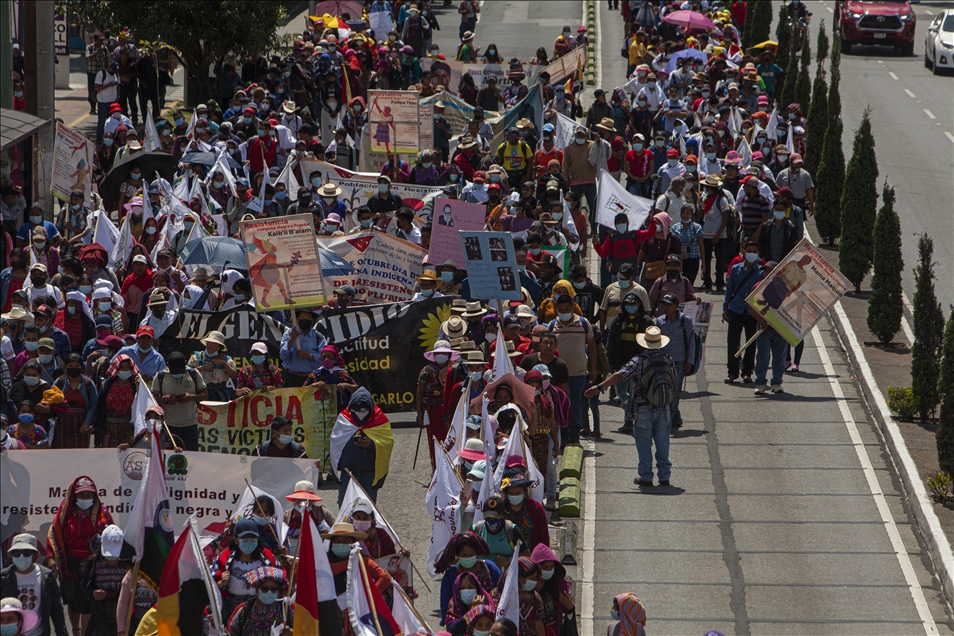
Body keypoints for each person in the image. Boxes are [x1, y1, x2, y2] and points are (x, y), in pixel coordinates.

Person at [585, 326, 678, 487]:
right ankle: (664, 476)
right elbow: (673, 381)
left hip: (643, 408)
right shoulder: (667, 359)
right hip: (664, 408)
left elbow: (619, 374)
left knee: (644, 443)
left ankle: (646, 476)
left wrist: (599, 387)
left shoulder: (639, 361)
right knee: (663, 443)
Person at [45, 476, 114, 636]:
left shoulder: (102, 514)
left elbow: (111, 535)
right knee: (73, 600)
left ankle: (84, 634)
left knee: (89, 601)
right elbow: (54, 534)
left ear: (94, 496)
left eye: (88, 495)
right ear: (74, 496)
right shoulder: (65, 513)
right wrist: (50, 557)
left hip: (93, 563)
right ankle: (75, 630)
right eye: (81, 495)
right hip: (70, 565)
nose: (85, 499)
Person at [212, 519, 285, 626]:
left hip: (261, 610)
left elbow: (282, 580)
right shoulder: (225, 558)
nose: (249, 541)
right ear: (236, 539)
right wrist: (220, 584)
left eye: (253, 538)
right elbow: (209, 586)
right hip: (232, 612)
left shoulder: (267, 557)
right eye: (245, 538)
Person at [330, 388, 393, 504]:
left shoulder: (379, 419)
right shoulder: (344, 418)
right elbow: (335, 441)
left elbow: (387, 443)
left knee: (368, 509)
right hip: (348, 473)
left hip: (368, 475)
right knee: (344, 508)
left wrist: (371, 444)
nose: (360, 411)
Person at [606, 292, 655, 435]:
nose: (630, 307)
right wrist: (611, 361)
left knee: (635, 394)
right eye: (628, 304)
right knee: (622, 393)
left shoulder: (647, 322)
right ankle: (631, 411)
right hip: (621, 364)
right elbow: (611, 341)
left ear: (639, 304)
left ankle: (629, 421)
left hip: (640, 365)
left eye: (633, 304)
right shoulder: (619, 320)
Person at [0, 533, 67, 636]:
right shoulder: (3, 577)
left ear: (35, 555)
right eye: (16, 553)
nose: (21, 557)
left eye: (26, 553)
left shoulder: (46, 576)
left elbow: (56, 609)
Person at [723, 241, 765, 384]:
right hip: (736, 309)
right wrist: (725, 308)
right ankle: (732, 372)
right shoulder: (735, 269)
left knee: (751, 342)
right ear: (744, 252)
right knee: (733, 342)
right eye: (749, 251)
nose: (751, 253)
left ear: (758, 253)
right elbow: (729, 290)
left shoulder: (761, 272)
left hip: (752, 312)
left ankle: (747, 372)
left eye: (754, 251)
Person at [655, 294, 696, 432]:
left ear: (676, 306)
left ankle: (669, 420)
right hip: (663, 361)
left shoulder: (686, 321)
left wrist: (690, 361)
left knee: (675, 391)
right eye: (664, 304)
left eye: (668, 304)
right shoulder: (659, 321)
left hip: (679, 361)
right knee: (664, 390)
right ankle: (676, 417)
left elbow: (691, 342)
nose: (665, 307)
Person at [152, 351, 207, 451]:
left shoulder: (193, 373)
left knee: (191, 456)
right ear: (168, 365)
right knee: (170, 456)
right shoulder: (160, 376)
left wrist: (190, 397)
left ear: (185, 363)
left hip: (190, 424)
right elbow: (152, 399)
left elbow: (205, 395)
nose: (177, 373)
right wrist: (166, 399)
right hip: (168, 425)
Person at [89, 354, 140, 448]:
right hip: (109, 427)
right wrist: (94, 424)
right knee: (107, 456)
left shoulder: (135, 385)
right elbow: (99, 406)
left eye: (127, 368)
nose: (125, 370)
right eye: (122, 368)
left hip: (128, 427)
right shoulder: (107, 385)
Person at [225, 566, 292, 636]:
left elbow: (302, 630)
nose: (269, 592)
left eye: (274, 589)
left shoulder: (286, 610)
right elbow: (231, 633)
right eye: (264, 588)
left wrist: (290, 632)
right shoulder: (244, 610)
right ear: (257, 589)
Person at [50, 353, 98, 449]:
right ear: (66, 367)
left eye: (76, 366)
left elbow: (94, 405)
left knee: (80, 456)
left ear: (81, 367)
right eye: (70, 366)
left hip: (81, 426)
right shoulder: (59, 382)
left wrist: (87, 423)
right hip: (62, 425)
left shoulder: (88, 384)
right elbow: (51, 400)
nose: (73, 368)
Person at [279, 308, 325, 388]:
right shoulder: (288, 334)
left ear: (312, 320)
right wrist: (291, 339)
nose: (305, 320)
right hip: (291, 378)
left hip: (312, 379)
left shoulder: (318, 337)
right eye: (303, 317)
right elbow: (283, 356)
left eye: (308, 318)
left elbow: (324, 358)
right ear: (297, 319)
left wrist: (309, 355)